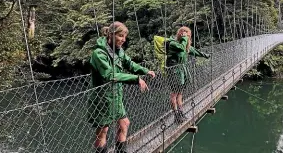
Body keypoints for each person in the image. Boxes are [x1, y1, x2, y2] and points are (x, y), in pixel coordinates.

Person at [87, 21, 155, 153]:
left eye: (125, 36)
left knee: (124, 124)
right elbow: (109, 75)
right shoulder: (99, 54)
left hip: (116, 96)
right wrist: (136, 79)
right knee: (103, 132)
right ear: (111, 35)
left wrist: (144, 71)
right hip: (103, 98)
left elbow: (129, 64)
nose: (123, 40)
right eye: (120, 36)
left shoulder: (118, 51)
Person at [166, 26, 210, 123]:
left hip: (182, 71)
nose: (185, 34)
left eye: (187, 33)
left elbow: (194, 51)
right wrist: (185, 38)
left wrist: (205, 55)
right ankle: (176, 115)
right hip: (174, 71)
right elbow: (181, 48)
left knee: (180, 93)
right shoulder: (173, 43)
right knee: (174, 94)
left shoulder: (185, 45)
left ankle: (181, 113)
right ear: (179, 34)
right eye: (183, 33)